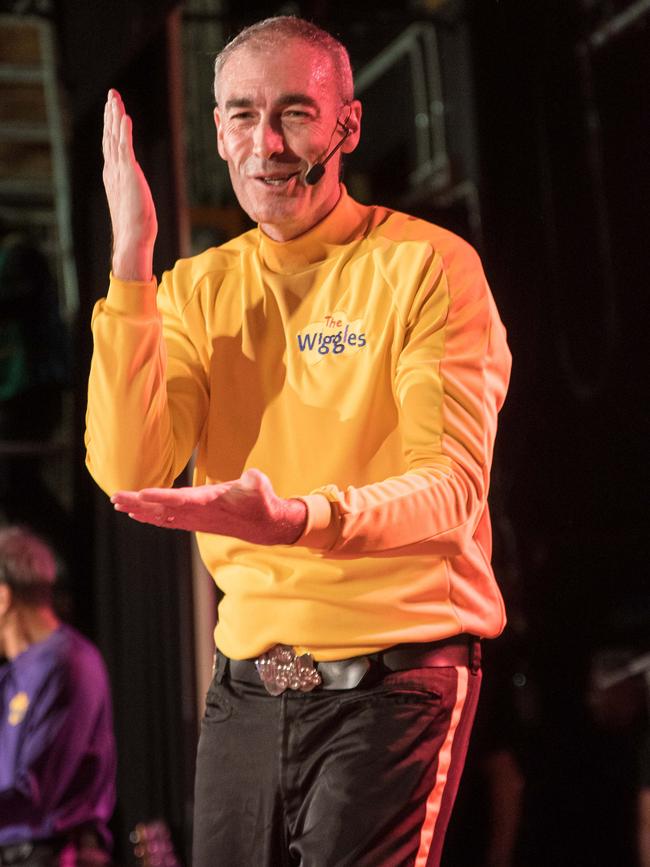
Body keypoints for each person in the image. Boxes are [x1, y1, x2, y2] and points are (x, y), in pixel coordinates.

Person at [86, 16, 511, 866]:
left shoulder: (426, 265)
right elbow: (131, 470)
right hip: (248, 685)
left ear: (347, 126)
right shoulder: (197, 288)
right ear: (217, 130)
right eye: (242, 115)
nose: (268, 142)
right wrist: (131, 262)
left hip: (395, 681)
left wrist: (301, 518)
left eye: (295, 114)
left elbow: (450, 483)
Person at [0, 526, 116, 866]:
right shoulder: (11, 674)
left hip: (52, 855)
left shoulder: (70, 663)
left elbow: (37, 791)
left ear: (4, 598)